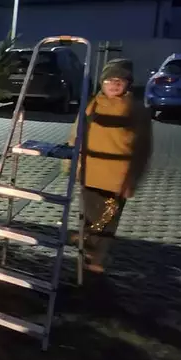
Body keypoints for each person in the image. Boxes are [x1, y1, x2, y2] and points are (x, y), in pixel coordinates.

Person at [68, 59, 152, 274]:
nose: (113, 84)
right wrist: (72, 164)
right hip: (90, 173)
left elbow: (143, 148)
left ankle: (97, 260)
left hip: (117, 178)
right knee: (88, 215)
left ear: (128, 84)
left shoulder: (135, 110)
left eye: (119, 80)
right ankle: (85, 248)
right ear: (101, 83)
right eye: (108, 80)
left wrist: (133, 179)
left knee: (107, 220)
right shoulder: (91, 105)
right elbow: (76, 135)